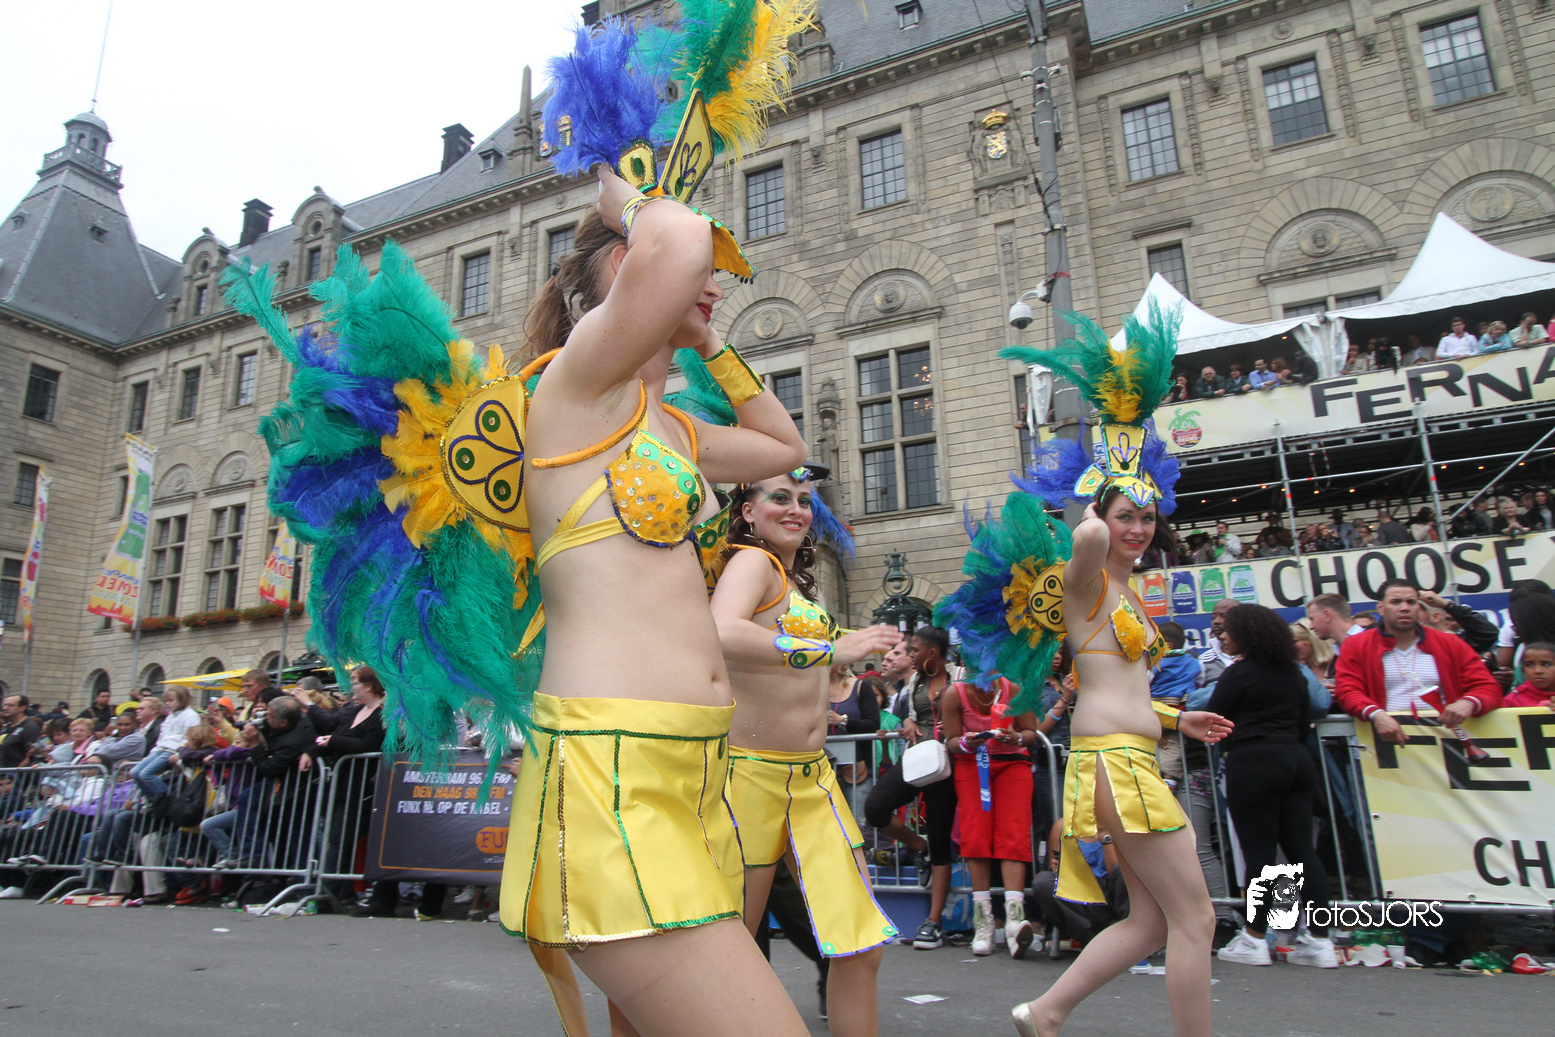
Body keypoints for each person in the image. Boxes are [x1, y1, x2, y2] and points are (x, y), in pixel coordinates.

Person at [495, 102, 810, 1037]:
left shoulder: (669, 427)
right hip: (614, 769)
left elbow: (781, 446)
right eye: (670, 263)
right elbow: (673, 245)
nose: (702, 272)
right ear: (600, 299)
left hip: (695, 769)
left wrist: (711, 338)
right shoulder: (575, 386)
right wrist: (626, 199)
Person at [1012, 488, 1232, 1036]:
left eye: (1147, 518)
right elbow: (1087, 537)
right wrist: (1093, 509)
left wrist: (1177, 719)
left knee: (1152, 922)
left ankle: (1045, 1013)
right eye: (1124, 517)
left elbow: (1122, 685)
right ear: (1101, 519)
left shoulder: (1125, 589)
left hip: (1133, 756)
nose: (1138, 528)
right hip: (1116, 762)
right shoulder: (1084, 581)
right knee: (1196, 917)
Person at [708, 468, 899, 1037]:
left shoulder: (792, 580)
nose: (796, 508)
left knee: (859, 943)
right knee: (731, 948)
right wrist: (830, 649)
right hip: (749, 781)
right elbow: (721, 630)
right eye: (780, 497)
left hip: (812, 782)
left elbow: (787, 661)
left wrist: (823, 698)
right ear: (748, 511)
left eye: (805, 500)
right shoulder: (753, 562)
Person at [1210, 604, 1338, 968]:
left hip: (1254, 762)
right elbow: (1306, 715)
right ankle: (1319, 941)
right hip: (1296, 760)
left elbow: (1214, 715)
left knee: (1259, 854)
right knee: (1302, 851)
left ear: (1247, 635)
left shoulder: (1239, 673)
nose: (1224, 636)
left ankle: (1254, 938)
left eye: (1230, 631)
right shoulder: (1294, 673)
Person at [863, 626, 959, 950]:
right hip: (918, 759)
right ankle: (918, 847)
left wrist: (957, 724)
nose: (911, 655)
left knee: (941, 839)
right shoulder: (914, 681)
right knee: (875, 808)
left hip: (948, 765)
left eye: (915, 650)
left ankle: (933, 922)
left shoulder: (959, 677)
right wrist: (907, 721)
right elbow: (906, 717)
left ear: (933, 652)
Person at [939, 673, 1039, 958]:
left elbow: (1030, 732)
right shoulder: (954, 693)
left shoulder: (1014, 688)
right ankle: (983, 922)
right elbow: (951, 740)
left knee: (1014, 832)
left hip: (1013, 764)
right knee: (975, 834)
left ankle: (1015, 919)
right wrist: (967, 742)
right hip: (972, 764)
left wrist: (1015, 737)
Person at [1333, 579, 1503, 743]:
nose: (1404, 608)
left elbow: (1488, 687)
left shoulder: (1449, 643)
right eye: (1395, 602)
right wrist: (1376, 714)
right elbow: (1348, 691)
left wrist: (1468, 702)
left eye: (1411, 602)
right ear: (1380, 608)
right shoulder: (1356, 645)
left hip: (1449, 741)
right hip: (1386, 741)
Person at [129, 685, 200, 802]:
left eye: (171, 700)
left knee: (146, 774)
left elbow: (190, 737)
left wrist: (180, 753)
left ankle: (167, 799)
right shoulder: (170, 717)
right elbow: (162, 738)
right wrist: (151, 754)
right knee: (135, 772)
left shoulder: (191, 715)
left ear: (182, 700)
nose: (167, 703)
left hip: (173, 751)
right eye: (166, 701)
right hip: (161, 749)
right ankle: (152, 799)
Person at [1198, 598, 1239, 684]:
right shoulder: (1204, 661)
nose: (1216, 621)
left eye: (1223, 616)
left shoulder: (1258, 656)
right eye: (1213, 617)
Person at [1305, 593, 1353, 664]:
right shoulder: (1336, 656)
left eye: (1312, 619)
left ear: (1327, 615)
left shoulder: (1369, 643)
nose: (1311, 627)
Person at [1504, 642, 1555, 707]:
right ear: (1523, 670)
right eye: (1530, 665)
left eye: (1546, 665)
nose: (1538, 671)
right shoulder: (1514, 699)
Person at [0, 695, 41, 769]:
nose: (5, 708)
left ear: (22, 708)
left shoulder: (29, 727)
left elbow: (30, 756)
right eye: (4, 705)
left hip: (14, 774)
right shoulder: (7, 726)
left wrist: (14, 773)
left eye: (10, 705)